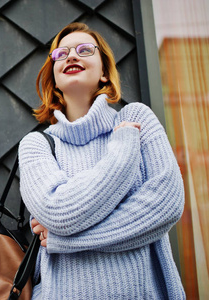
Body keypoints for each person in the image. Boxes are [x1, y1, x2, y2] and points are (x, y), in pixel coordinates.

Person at [18, 22, 185, 299]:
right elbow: (60, 212)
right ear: (54, 78)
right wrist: (121, 153)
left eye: (85, 50)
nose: (72, 56)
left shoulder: (137, 119)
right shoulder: (36, 146)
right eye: (62, 53)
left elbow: (166, 204)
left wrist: (65, 240)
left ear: (105, 73)